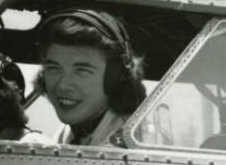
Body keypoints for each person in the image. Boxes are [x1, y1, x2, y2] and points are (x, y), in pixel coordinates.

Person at [36, 9, 145, 146]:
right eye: (53, 68)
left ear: (114, 77)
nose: (63, 85)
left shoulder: (133, 144)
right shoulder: (72, 130)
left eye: (82, 71)